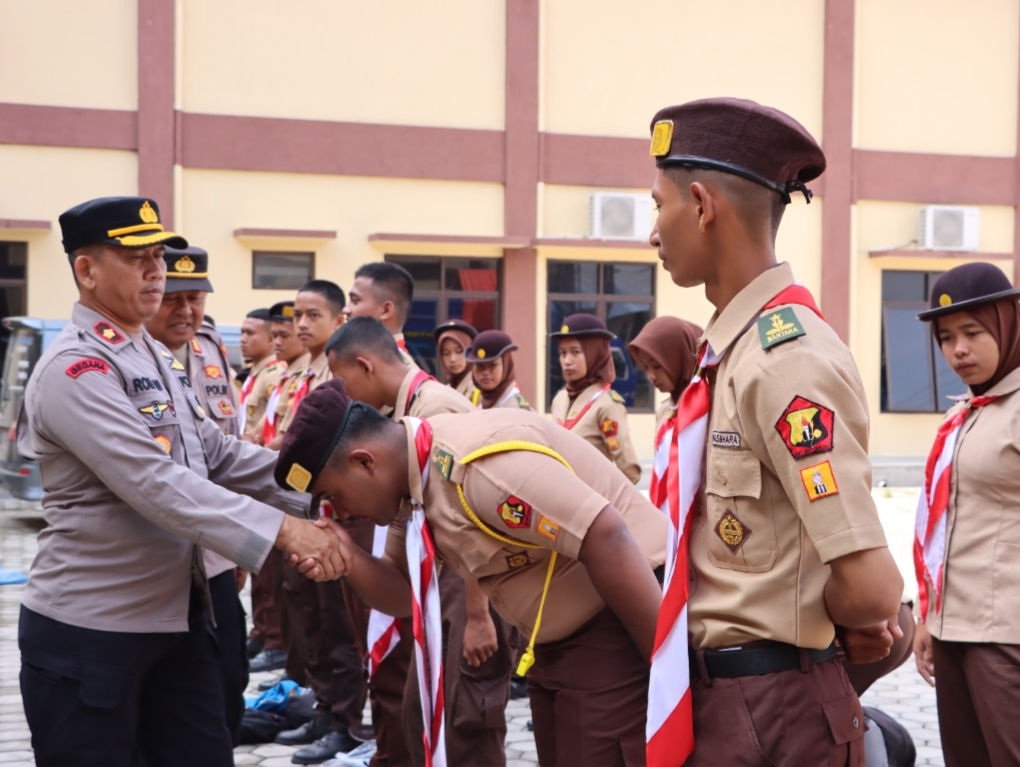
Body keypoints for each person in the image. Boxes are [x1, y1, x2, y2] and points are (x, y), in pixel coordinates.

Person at [16, 196, 343, 767]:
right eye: (134, 257)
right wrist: (287, 533)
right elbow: (154, 483)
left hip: (182, 620)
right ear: (86, 271)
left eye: (157, 256)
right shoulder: (77, 369)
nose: (155, 270)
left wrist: (326, 485)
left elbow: (212, 451)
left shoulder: (151, 355)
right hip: (95, 634)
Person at [646, 98, 903, 766]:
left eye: (658, 204)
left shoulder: (785, 359)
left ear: (702, 204)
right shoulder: (730, 354)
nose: (652, 231)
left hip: (774, 709)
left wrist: (841, 625)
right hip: (730, 700)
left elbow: (871, 585)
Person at [277, 380, 667, 767]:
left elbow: (606, 535)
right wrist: (348, 558)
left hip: (617, 625)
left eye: (333, 497)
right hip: (554, 647)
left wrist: (673, 673)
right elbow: (401, 592)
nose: (339, 513)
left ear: (365, 462)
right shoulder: (413, 485)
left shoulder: (477, 467)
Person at [326, 317, 518, 767]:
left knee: (467, 721)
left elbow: (473, 521)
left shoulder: (436, 411)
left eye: (342, 380)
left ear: (365, 365)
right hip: (442, 578)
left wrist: (477, 616)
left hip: (470, 583)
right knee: (423, 714)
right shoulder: (406, 411)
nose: (343, 394)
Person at [913, 262, 1020, 767]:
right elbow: (943, 529)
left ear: (1007, 323)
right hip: (955, 631)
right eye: (946, 337)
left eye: (973, 332)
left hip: (1007, 637)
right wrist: (929, 617)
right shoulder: (968, 413)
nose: (958, 349)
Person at [143, 244, 249, 745]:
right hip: (157, 557)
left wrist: (243, 542)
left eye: (196, 298)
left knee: (231, 678)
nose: (186, 311)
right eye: (174, 298)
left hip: (219, 553)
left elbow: (231, 446)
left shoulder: (209, 347)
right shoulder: (128, 354)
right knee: (171, 693)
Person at [269, 280, 371, 766]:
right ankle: (326, 706)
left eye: (314, 315)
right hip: (301, 513)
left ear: (339, 323)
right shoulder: (298, 377)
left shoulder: (346, 376)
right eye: (298, 316)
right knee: (311, 618)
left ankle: (347, 721)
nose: (301, 325)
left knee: (340, 625)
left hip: (340, 519)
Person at [549, 314, 641, 484]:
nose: (567, 361)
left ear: (595, 354)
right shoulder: (561, 398)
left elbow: (629, 471)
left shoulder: (606, 404)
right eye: (562, 353)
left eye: (576, 352)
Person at [627, 315, 703, 435]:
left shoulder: (708, 410)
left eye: (657, 366)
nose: (650, 376)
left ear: (682, 359)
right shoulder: (665, 411)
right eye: (646, 367)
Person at [343, 261, 417, 365]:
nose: (345, 310)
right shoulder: (365, 357)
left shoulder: (398, 369)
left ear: (385, 311)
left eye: (355, 301)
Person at [261, 301, 311, 448]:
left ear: (302, 336)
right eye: (274, 335)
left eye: (284, 335)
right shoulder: (286, 376)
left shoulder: (306, 376)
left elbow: (286, 437)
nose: (277, 342)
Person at [239, 308, 283, 444]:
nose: (242, 339)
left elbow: (275, 416)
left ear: (271, 339)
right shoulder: (255, 373)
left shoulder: (274, 374)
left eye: (250, 333)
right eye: (242, 332)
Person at [466, 330, 532, 410]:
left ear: (506, 366)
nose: (485, 372)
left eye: (492, 365)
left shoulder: (516, 409)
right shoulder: (480, 402)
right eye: (479, 365)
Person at [433, 319, 478, 400]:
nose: (453, 359)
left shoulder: (479, 391)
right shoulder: (446, 390)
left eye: (459, 351)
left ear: (470, 351)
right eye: (446, 353)